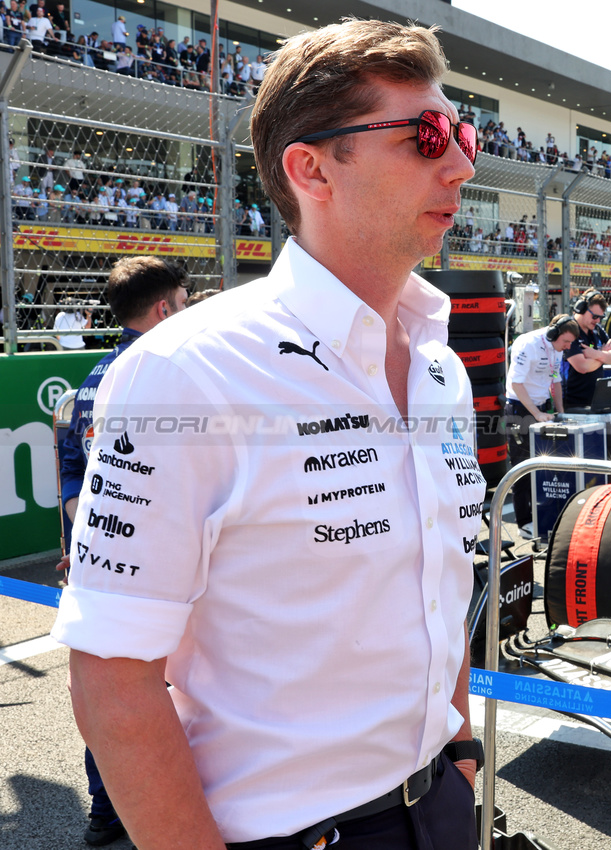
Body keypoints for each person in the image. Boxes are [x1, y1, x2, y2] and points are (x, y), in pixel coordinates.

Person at [52, 19, 485, 848]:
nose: (461, 162)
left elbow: (442, 579)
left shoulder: (439, 365)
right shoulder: (186, 371)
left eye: (460, 133)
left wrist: (459, 751)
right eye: (425, 135)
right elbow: (113, 680)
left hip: (438, 805)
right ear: (311, 167)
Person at [56, 257, 188, 846]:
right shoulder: (164, 376)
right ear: (165, 308)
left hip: (99, 560)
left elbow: (69, 479)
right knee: (162, 692)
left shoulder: (84, 385)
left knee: (107, 685)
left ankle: (107, 810)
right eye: (185, 302)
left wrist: (81, 547)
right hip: (158, 565)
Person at [506, 314, 578, 536]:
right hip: (519, 409)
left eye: (570, 344)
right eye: (565, 342)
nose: (567, 347)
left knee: (546, 463)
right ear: (553, 333)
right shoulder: (527, 344)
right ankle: (523, 523)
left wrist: (561, 413)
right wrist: (535, 413)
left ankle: (545, 515)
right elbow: (516, 383)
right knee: (523, 467)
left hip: (542, 407)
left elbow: (555, 380)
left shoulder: (556, 349)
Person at [561, 289, 611, 410]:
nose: (597, 320)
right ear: (581, 309)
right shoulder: (569, 330)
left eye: (600, 317)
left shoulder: (597, 330)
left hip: (596, 401)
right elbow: (583, 367)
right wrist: (604, 355)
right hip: (573, 403)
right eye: (594, 316)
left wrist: (595, 354)